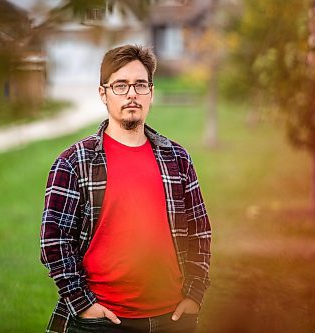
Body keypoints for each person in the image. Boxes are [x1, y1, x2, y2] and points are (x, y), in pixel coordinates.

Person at [40, 44, 211, 333]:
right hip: (101, 321)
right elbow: (54, 242)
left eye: (140, 85)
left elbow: (199, 231)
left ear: (151, 93)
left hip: (172, 319)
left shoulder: (178, 159)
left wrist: (194, 296)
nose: (132, 93)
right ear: (103, 94)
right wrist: (82, 304)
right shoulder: (73, 163)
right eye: (120, 85)